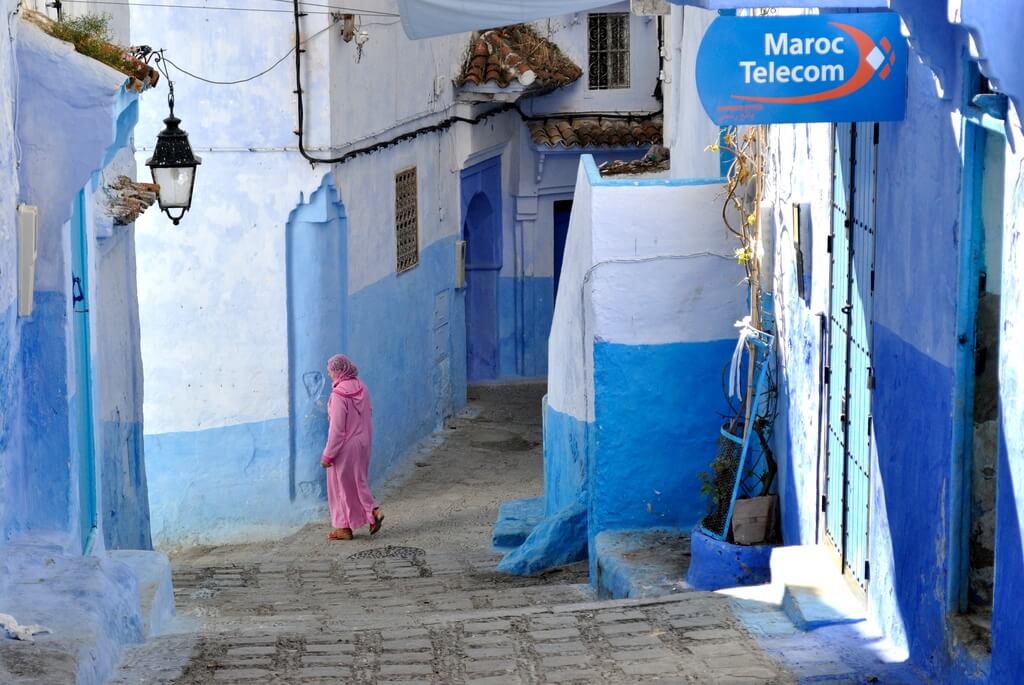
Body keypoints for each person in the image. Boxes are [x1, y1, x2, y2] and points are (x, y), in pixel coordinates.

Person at [321, 354, 383, 540]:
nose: (330, 374)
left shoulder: (339, 395)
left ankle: (344, 527)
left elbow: (338, 429)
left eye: (331, 371)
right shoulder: (361, 387)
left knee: (339, 486)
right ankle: (370, 514)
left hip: (345, 447)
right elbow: (368, 413)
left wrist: (328, 454)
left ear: (337, 371)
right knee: (358, 482)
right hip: (363, 442)